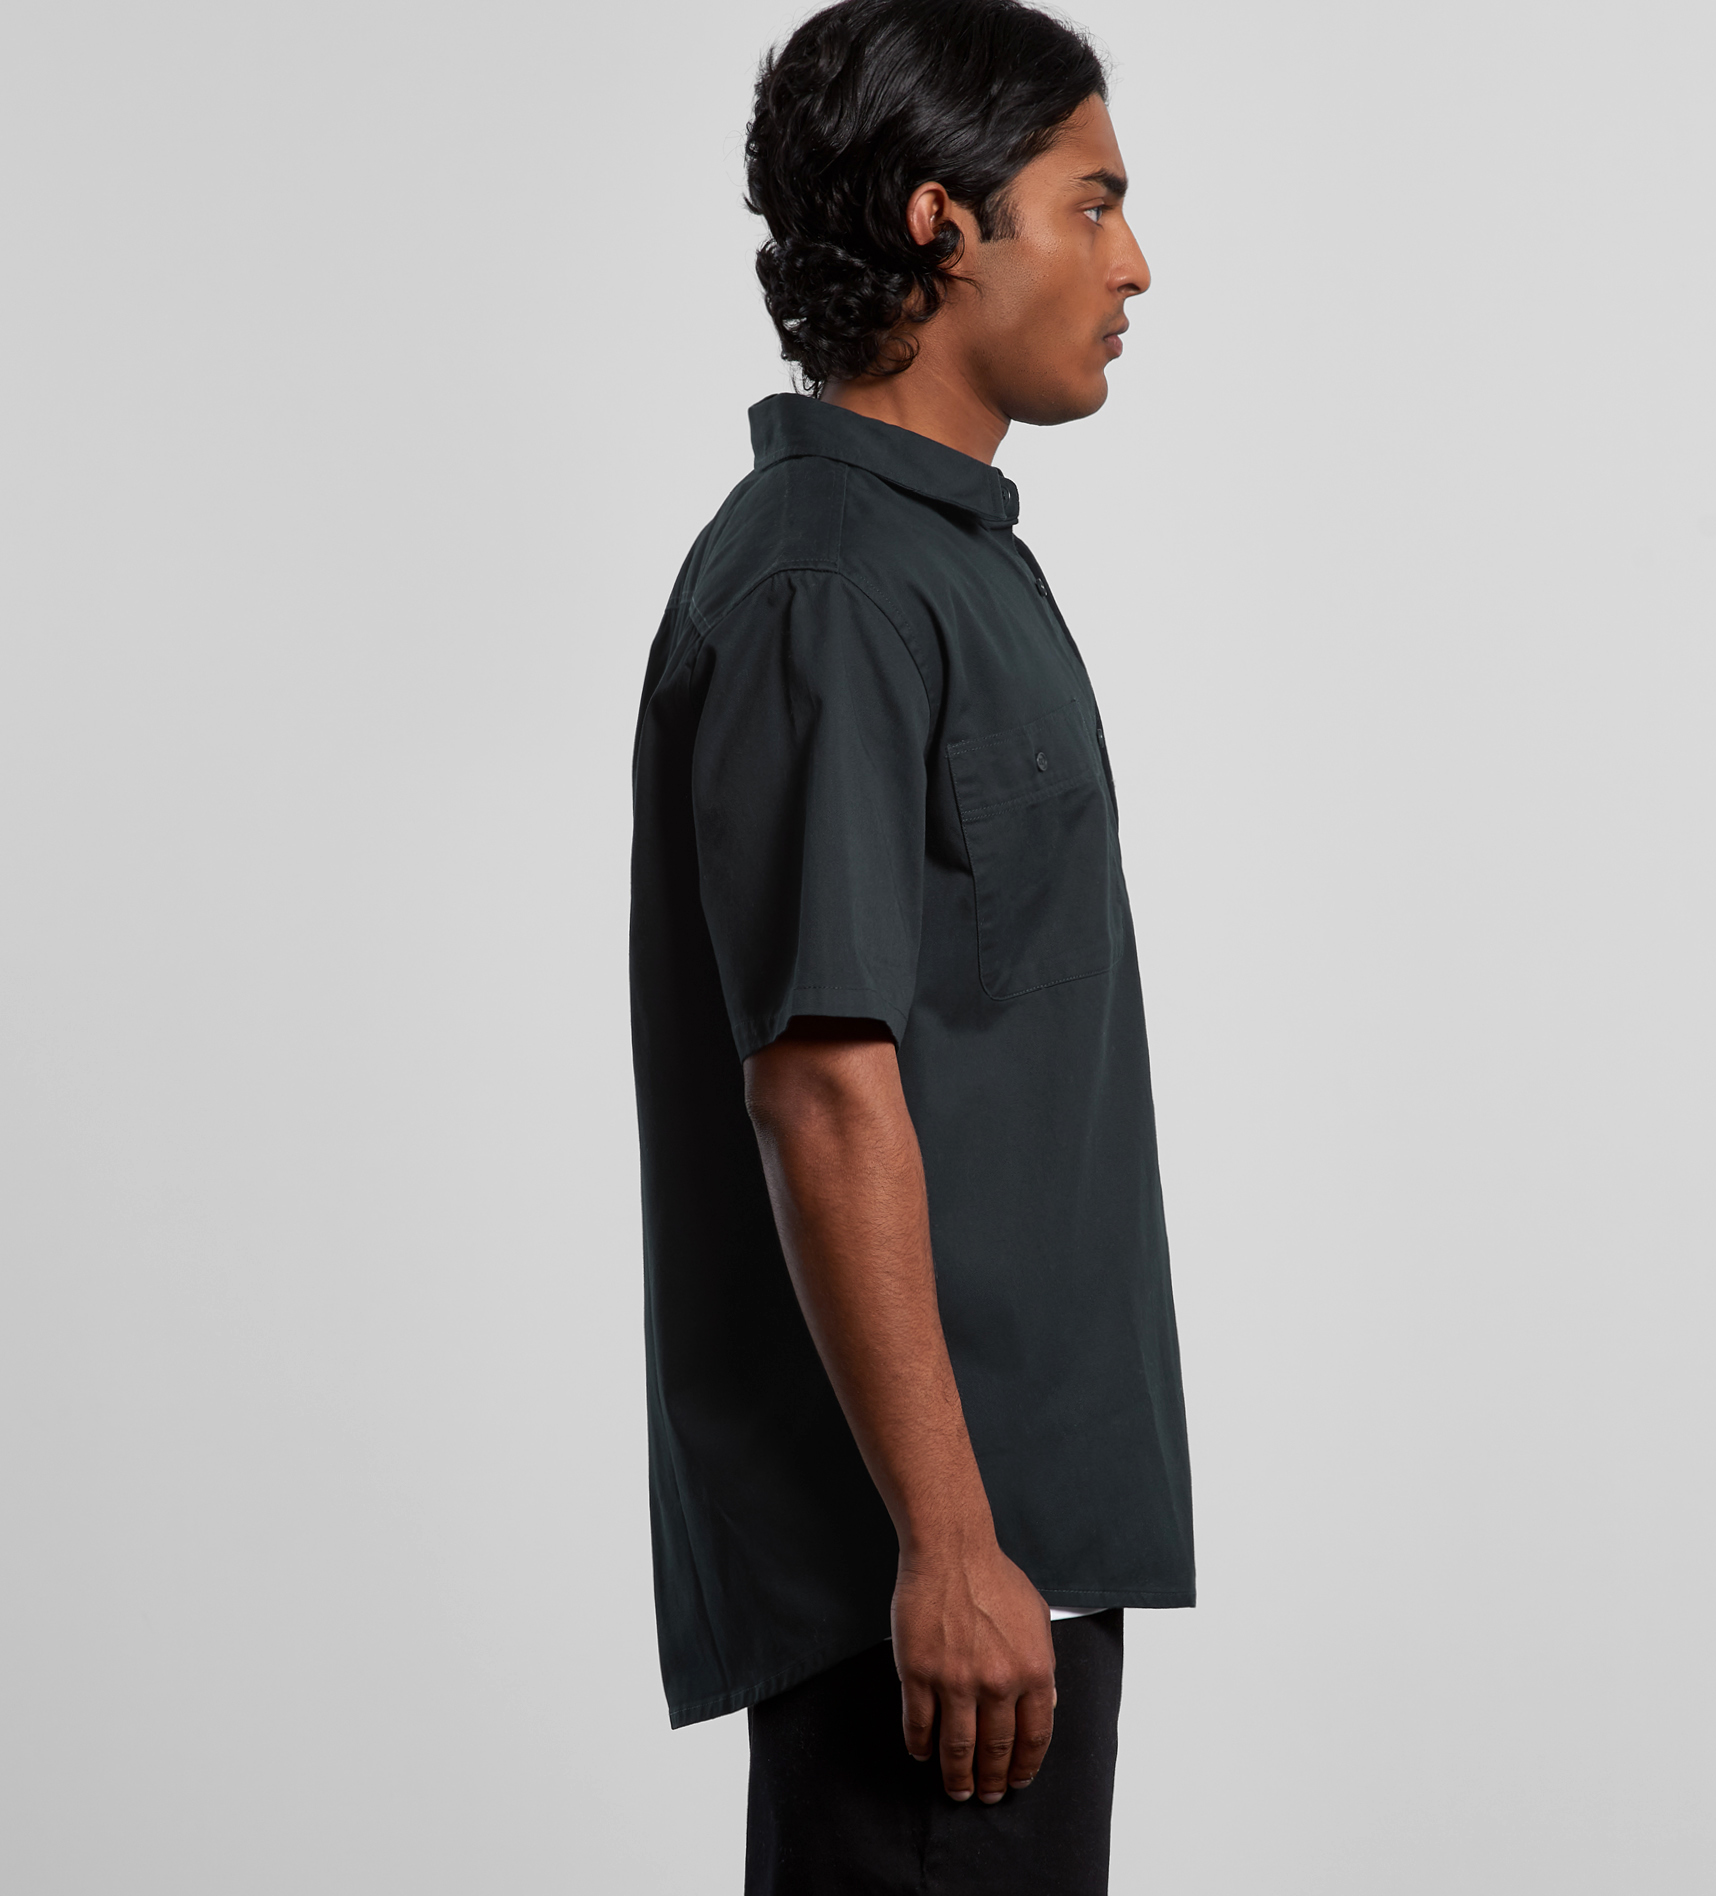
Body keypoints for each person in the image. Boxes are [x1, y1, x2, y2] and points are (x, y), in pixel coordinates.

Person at [628, 3, 1194, 1888]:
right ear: (943, 222)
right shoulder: (832, 588)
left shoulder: (942, 561)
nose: (1134, 262)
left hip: (1012, 1562)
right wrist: (948, 1543)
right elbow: (820, 1089)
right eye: (1092, 202)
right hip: (929, 1594)